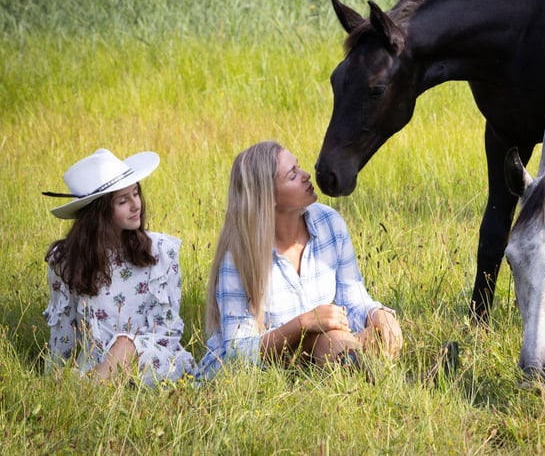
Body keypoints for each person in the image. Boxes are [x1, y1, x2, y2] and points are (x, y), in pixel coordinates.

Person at [200, 141, 402, 378]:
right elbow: (238, 352)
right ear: (269, 197)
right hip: (262, 371)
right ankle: (389, 377)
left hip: (321, 351)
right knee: (330, 339)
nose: (306, 175)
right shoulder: (239, 256)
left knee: (367, 332)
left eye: (299, 166)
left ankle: (365, 367)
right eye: (292, 175)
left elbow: (353, 300)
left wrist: (378, 314)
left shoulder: (330, 223)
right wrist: (303, 323)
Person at [42, 148, 196, 386]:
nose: (136, 205)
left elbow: (167, 332)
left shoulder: (160, 251)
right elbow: (63, 335)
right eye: (123, 201)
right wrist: (54, 377)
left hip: (153, 361)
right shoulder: (65, 260)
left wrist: (125, 349)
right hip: (95, 364)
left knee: (124, 344)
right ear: (99, 213)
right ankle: (99, 382)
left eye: (136, 193)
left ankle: (93, 387)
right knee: (74, 376)